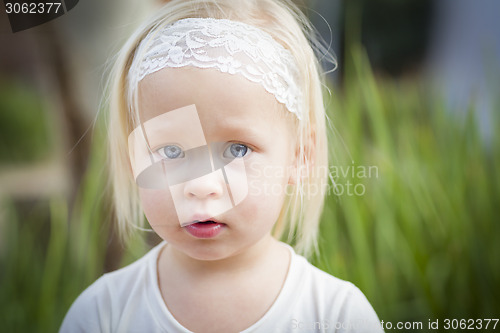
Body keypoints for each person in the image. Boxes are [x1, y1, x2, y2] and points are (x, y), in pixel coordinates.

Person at [60, 0, 384, 332]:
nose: (201, 184)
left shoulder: (339, 316)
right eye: (170, 151)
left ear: (300, 157)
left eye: (237, 149)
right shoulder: (102, 314)